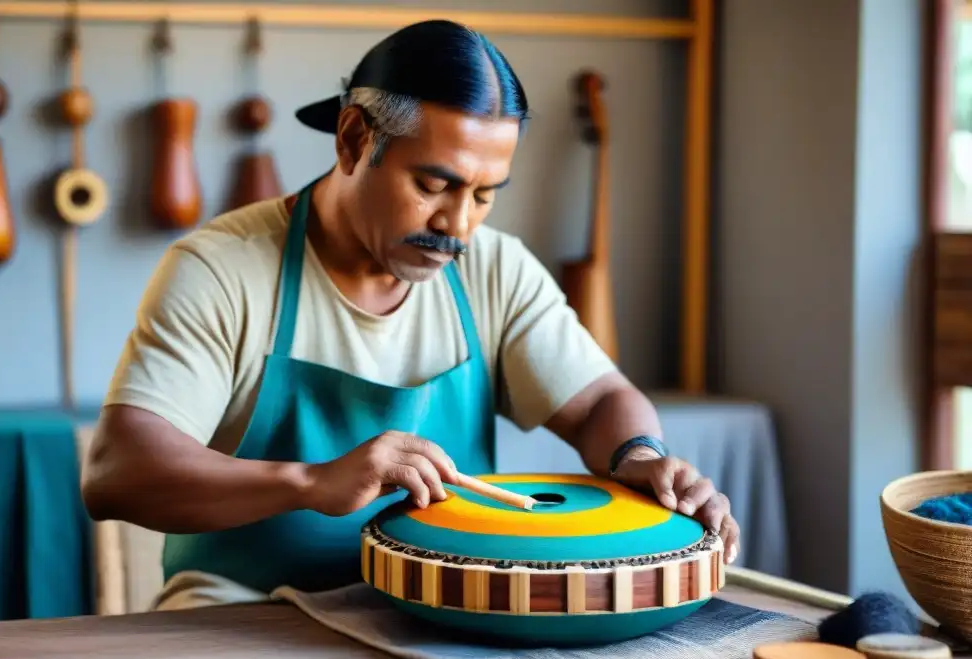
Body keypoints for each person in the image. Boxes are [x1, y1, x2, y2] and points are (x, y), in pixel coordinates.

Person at [81, 19, 740, 611]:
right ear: (352, 139)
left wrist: (640, 455)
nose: (458, 224)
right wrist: (310, 481)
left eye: (485, 195)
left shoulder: (493, 268)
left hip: (439, 609)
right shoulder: (223, 270)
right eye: (434, 185)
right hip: (243, 614)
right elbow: (118, 474)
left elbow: (598, 401)